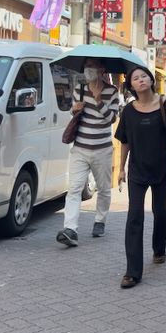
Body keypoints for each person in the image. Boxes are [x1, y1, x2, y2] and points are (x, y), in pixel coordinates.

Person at [116, 66, 166, 289]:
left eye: (144, 76)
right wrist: (121, 168)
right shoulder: (128, 111)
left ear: (151, 80)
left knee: (159, 211)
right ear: (131, 85)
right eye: (136, 78)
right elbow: (124, 141)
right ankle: (132, 272)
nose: (141, 80)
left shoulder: (165, 105)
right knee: (134, 215)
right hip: (137, 170)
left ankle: (159, 248)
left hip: (163, 168)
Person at [56, 58, 119, 247]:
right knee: (74, 188)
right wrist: (74, 110)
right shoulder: (80, 90)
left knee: (104, 189)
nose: (88, 70)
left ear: (101, 69)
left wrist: (99, 100)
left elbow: (111, 119)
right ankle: (70, 229)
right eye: (86, 66)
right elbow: (75, 114)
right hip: (80, 148)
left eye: (92, 66)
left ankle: (100, 220)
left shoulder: (112, 92)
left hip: (102, 150)